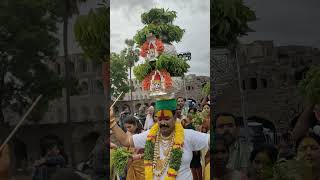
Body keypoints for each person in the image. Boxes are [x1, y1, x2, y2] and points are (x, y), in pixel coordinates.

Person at [110, 98, 210, 180]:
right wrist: (112, 121)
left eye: (167, 118)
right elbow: (126, 141)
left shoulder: (187, 135)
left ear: (175, 117)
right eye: (160, 119)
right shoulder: (150, 135)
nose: (163, 123)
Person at [124, 116, 145, 180]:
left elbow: (150, 151)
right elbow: (125, 149)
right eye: (126, 127)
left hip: (142, 165)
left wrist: (139, 156)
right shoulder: (127, 134)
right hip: (130, 163)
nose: (128, 129)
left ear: (136, 125)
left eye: (129, 127)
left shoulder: (143, 134)